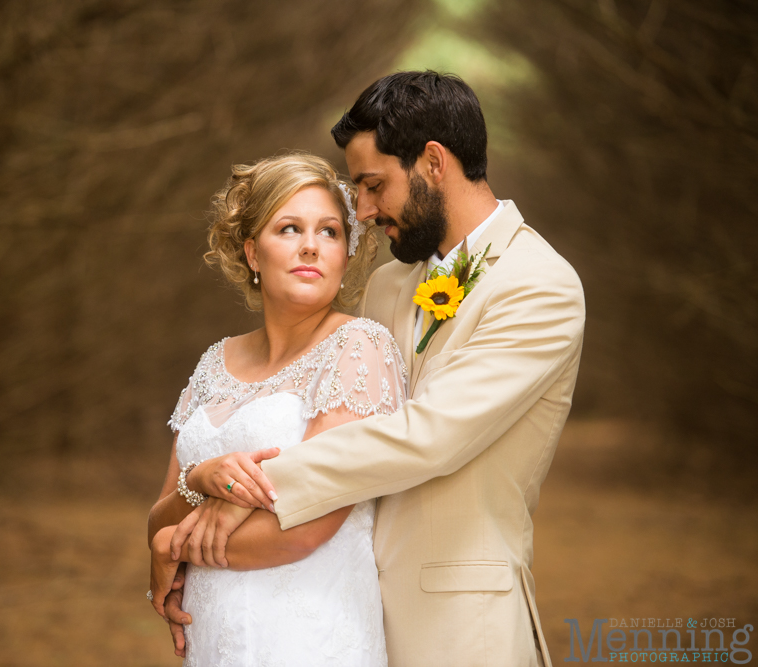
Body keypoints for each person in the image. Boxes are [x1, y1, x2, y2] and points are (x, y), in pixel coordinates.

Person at [169, 71, 586, 667]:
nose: (361, 211)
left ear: (434, 163)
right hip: (345, 614)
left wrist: (255, 488)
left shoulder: (540, 287)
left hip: (459, 625)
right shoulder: (390, 285)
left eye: (372, 185)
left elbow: (430, 436)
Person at [146, 152, 407, 666]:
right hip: (215, 641)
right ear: (251, 252)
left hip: (311, 640)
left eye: (330, 232)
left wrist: (171, 548)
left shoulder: (360, 348)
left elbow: (304, 529)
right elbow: (156, 515)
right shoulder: (212, 362)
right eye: (289, 228)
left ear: (347, 254)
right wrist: (200, 478)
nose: (311, 245)